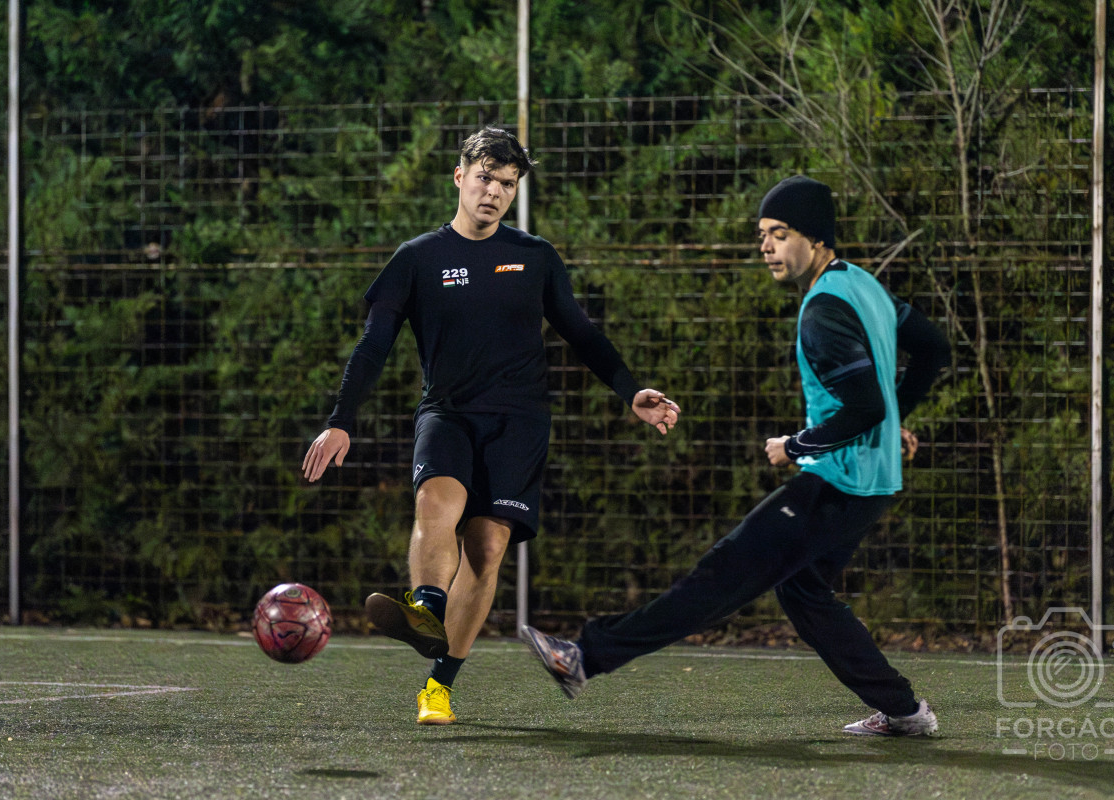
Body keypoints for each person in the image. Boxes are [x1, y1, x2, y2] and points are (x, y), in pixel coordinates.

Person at [521, 175, 952, 737]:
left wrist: (795, 445)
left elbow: (867, 406)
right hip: (872, 482)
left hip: (837, 482)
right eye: (762, 235)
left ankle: (584, 657)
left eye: (780, 234)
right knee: (805, 593)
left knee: (722, 573)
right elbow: (933, 349)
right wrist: (896, 421)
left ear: (817, 238)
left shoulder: (822, 312)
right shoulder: (862, 284)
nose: (766, 247)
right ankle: (904, 711)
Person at [302, 127, 680, 726]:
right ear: (460, 177)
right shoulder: (417, 258)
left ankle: (439, 685)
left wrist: (630, 390)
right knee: (435, 502)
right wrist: (340, 422)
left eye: (507, 183)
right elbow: (373, 346)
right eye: (485, 178)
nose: (495, 192)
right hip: (447, 413)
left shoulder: (536, 257)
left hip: (519, 422)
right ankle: (426, 609)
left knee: (486, 549)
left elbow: (582, 333)